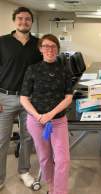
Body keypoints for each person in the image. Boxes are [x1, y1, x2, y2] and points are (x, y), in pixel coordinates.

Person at [20, 34, 73, 194]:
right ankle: (51, 186)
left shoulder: (64, 70)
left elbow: (68, 97)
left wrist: (51, 114)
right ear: (40, 49)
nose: (49, 49)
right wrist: (37, 116)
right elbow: (23, 98)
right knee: (44, 158)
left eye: (53, 46)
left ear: (57, 49)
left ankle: (60, 191)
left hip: (58, 121)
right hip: (36, 121)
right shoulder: (33, 69)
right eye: (46, 46)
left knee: (63, 160)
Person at [0, 7, 42, 190]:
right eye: (20, 18)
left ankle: (24, 171)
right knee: (1, 140)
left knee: (27, 138)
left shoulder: (38, 44)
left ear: (31, 22)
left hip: (29, 99)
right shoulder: (2, 42)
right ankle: (0, 177)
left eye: (27, 19)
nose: (23, 22)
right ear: (14, 20)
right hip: (5, 98)